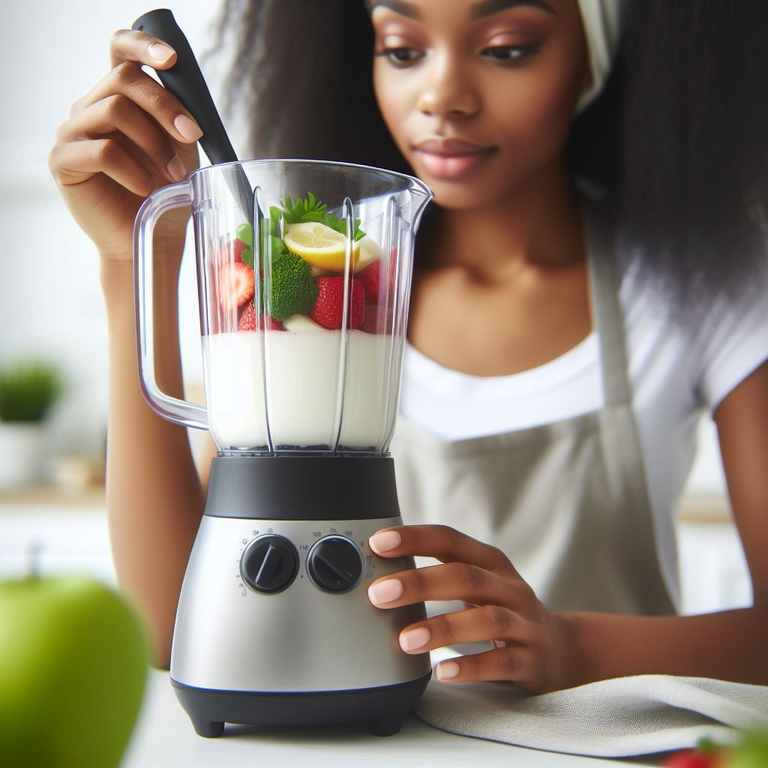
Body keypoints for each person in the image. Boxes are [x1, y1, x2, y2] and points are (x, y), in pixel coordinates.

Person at [48, 0, 768, 694]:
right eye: (402, 49)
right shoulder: (324, 287)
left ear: (594, 60)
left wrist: (576, 646)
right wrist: (131, 262)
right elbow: (178, 631)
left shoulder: (702, 284)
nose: (442, 95)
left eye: (506, 48)